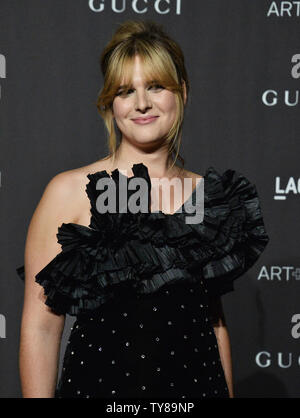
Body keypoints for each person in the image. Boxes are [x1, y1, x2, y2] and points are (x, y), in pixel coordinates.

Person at [16, 19, 269, 399]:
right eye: (125, 90)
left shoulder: (208, 197)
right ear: (109, 103)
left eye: (155, 86)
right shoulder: (69, 191)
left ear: (181, 92)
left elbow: (213, 323)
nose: (142, 103)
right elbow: (40, 328)